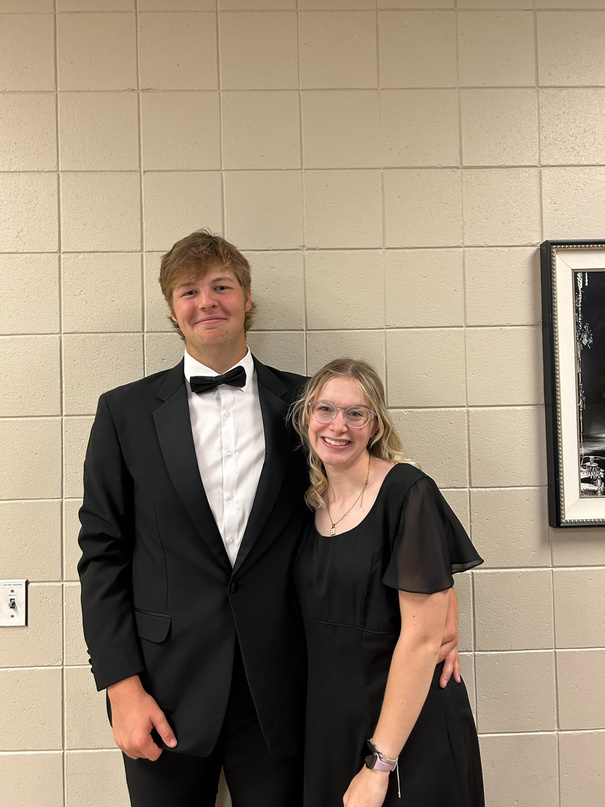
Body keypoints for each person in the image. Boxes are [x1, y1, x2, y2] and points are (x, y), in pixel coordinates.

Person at [78, 230, 461, 807]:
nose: (207, 302)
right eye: (189, 291)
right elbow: (101, 554)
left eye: (221, 286)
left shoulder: (307, 406)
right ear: (172, 310)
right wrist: (120, 686)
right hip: (163, 689)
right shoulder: (122, 412)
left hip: (285, 689)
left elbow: (377, 500)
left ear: (247, 299)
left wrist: (440, 609)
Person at [292, 358, 484, 807]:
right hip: (330, 726)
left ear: (374, 424)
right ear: (307, 416)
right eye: (325, 409)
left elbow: (422, 640)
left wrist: (379, 765)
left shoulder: (408, 492)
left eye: (355, 414)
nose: (338, 426)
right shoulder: (308, 501)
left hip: (403, 730)